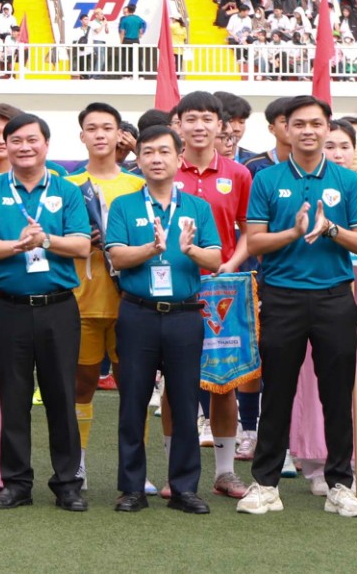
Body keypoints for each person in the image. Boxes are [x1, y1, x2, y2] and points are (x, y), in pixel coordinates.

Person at [238, 94, 357, 518]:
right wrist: (293, 233)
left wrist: (330, 228)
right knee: (277, 393)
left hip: (335, 297)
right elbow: (255, 242)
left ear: (328, 128)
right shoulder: (266, 179)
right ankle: (266, 485)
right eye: (299, 124)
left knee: (337, 395)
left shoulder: (347, 181)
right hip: (282, 297)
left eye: (316, 123)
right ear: (285, 129)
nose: (308, 131)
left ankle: (340, 485)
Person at [0, 112, 92, 510]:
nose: (24, 147)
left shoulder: (66, 189)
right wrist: (18, 246)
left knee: (62, 396)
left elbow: (82, 246)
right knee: (13, 397)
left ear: (46, 144)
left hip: (58, 308)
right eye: (16, 141)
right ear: (4, 146)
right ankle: (16, 483)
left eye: (32, 140)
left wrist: (46, 240)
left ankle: (68, 484)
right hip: (8, 308)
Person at [105, 124, 222, 513]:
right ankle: (132, 488)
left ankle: (185, 488)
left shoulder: (197, 207)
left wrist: (189, 250)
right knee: (133, 401)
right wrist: (151, 248)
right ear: (138, 159)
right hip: (137, 313)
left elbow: (215, 259)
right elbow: (117, 257)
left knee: (186, 402)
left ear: (179, 157)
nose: (156, 159)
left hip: (184, 315)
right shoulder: (124, 205)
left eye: (164, 152)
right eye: (148, 152)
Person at [167, 90, 252, 494]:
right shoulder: (164, 169)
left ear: (221, 125)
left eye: (207, 119)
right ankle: (174, 473)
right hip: (173, 291)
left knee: (225, 382)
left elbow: (250, 231)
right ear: (178, 125)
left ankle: (224, 472)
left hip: (222, 290)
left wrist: (230, 265)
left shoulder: (238, 174)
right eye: (191, 119)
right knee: (173, 384)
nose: (199, 127)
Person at [67, 102, 142, 482]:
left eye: (107, 128)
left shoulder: (138, 185)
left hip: (131, 302)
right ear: (82, 136)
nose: (100, 135)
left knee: (134, 387)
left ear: (119, 135)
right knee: (81, 385)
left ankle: (134, 470)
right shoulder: (67, 186)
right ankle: (76, 463)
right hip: (81, 301)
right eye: (92, 128)